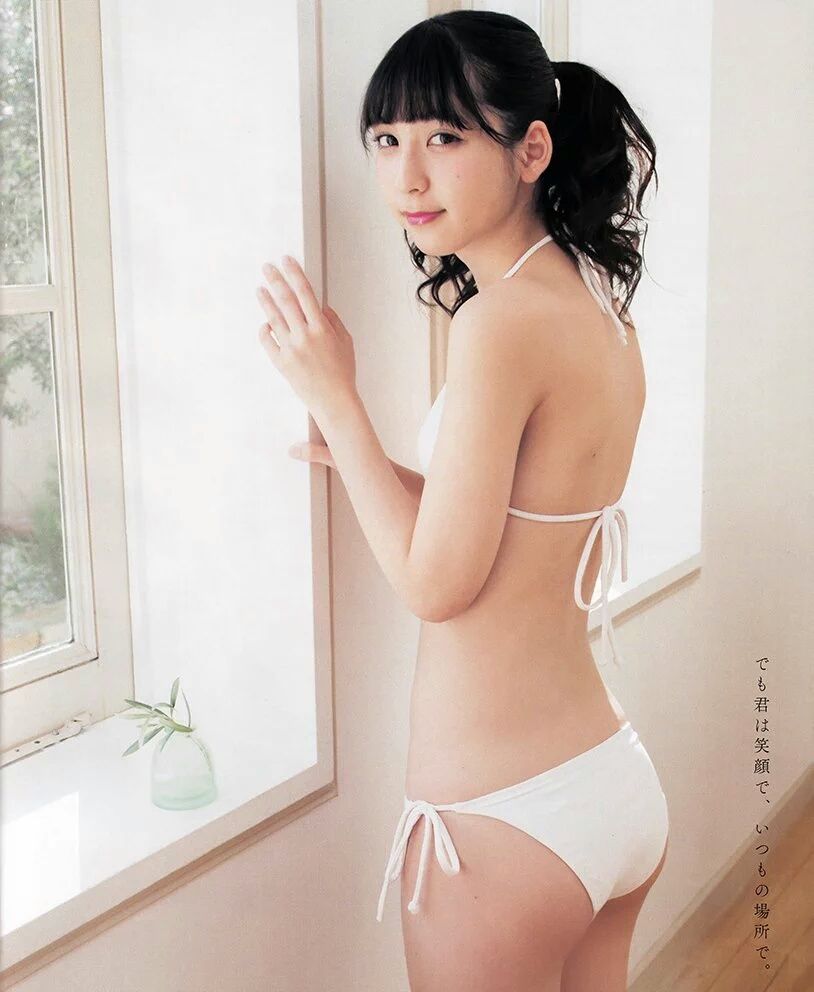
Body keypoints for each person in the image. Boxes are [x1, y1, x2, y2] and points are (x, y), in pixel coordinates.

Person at [258, 9, 668, 992]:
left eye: (443, 138)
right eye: (385, 140)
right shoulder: (593, 299)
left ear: (532, 150)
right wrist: (366, 464)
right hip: (606, 774)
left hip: (500, 821)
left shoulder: (499, 322)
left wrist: (337, 398)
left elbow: (436, 585)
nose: (407, 177)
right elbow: (518, 520)